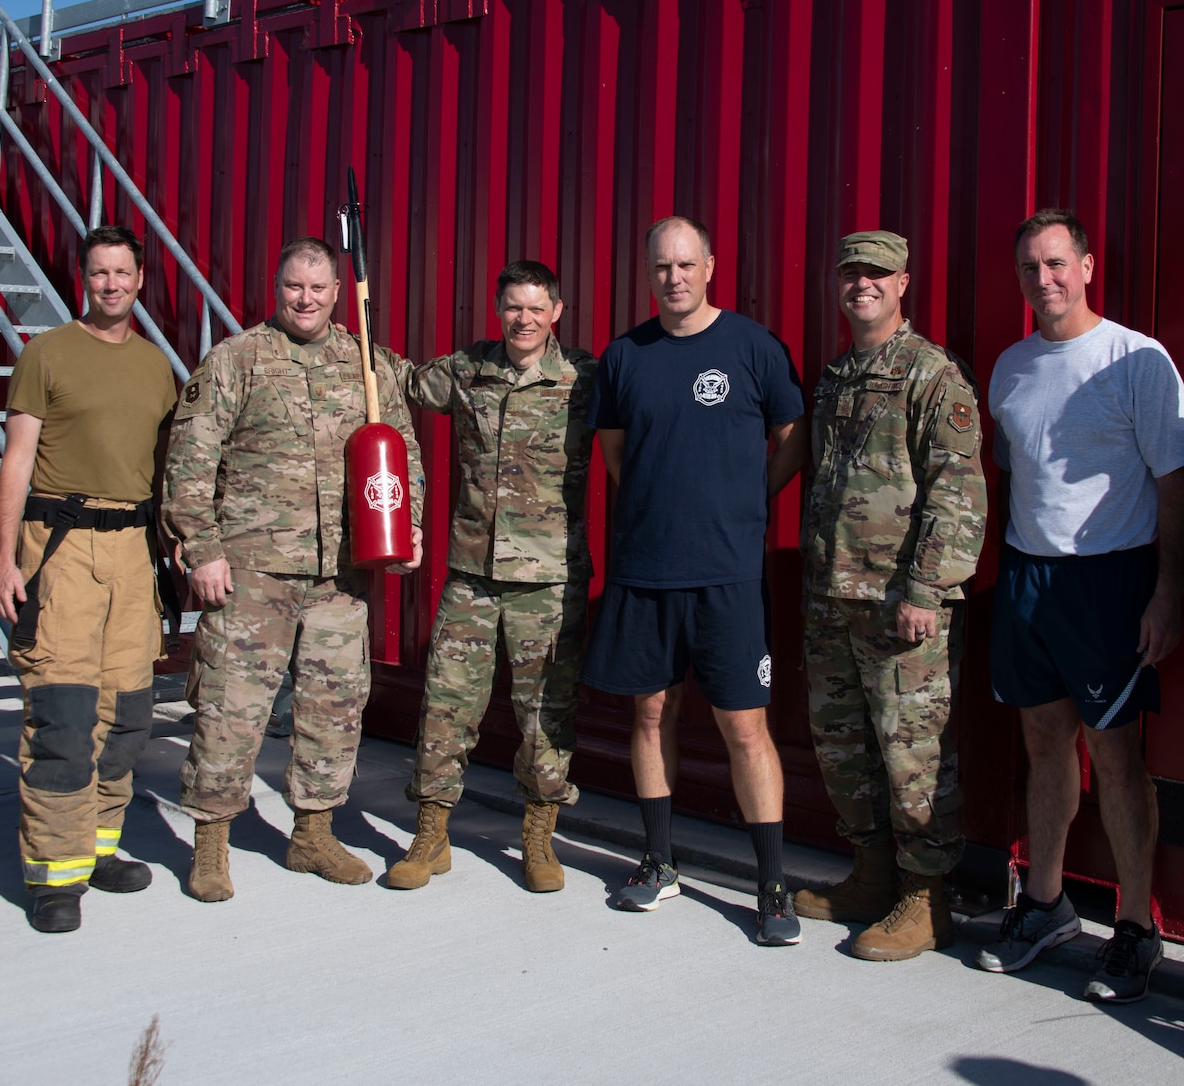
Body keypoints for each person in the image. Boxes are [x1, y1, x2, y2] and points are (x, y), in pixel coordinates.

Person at [972, 208, 1184, 1003]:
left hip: (1111, 583)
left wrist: (1166, 591)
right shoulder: (1009, 367)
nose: (1045, 279)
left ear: (1089, 265)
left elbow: (1177, 485)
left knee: (1115, 756)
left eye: (1058, 263)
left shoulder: (1137, 360)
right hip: (1030, 581)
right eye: (1030, 267)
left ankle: (1136, 925)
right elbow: (1019, 478)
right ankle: (1045, 903)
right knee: (1045, 744)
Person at [165, 237, 424, 901]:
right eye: (292, 287)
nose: (304, 299)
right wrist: (201, 548)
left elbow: (400, 452)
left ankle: (311, 834)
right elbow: (190, 457)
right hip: (251, 571)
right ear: (275, 288)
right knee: (231, 711)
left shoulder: (366, 365)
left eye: (316, 288)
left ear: (338, 293)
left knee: (333, 709)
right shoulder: (236, 360)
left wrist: (408, 525)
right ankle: (211, 843)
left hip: (340, 573)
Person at [585, 215, 809, 946]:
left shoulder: (753, 347)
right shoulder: (625, 356)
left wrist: (748, 499)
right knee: (651, 712)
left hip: (728, 573)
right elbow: (617, 452)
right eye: (660, 267)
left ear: (710, 265)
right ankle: (659, 859)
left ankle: (772, 883)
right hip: (647, 570)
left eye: (685, 264)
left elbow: (792, 436)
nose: (673, 278)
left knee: (746, 726)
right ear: (647, 272)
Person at [794, 231, 987, 961]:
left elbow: (957, 494)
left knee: (914, 756)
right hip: (832, 597)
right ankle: (872, 875)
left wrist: (925, 589)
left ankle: (925, 896)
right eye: (851, 273)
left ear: (904, 282)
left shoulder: (932, 375)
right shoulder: (838, 375)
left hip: (900, 604)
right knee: (845, 748)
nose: (862, 284)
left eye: (877, 273)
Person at [384, 260, 595, 894]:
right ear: (497, 310)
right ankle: (430, 834)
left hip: (550, 579)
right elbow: (403, 383)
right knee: (447, 705)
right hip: (472, 575)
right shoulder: (469, 369)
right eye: (512, 307)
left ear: (555, 312)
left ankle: (538, 836)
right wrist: (346, 333)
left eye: (536, 308)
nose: (523, 319)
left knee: (545, 714)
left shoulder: (585, 378)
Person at [0, 226, 179, 934]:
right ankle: (52, 873)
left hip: (133, 550)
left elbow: (166, 469)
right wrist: (6, 555)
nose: (110, 283)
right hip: (63, 547)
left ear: (139, 280)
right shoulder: (45, 355)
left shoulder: (156, 366)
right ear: (82, 278)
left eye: (122, 272)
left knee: (127, 711)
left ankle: (98, 847)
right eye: (98, 272)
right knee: (63, 713)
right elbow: (15, 459)